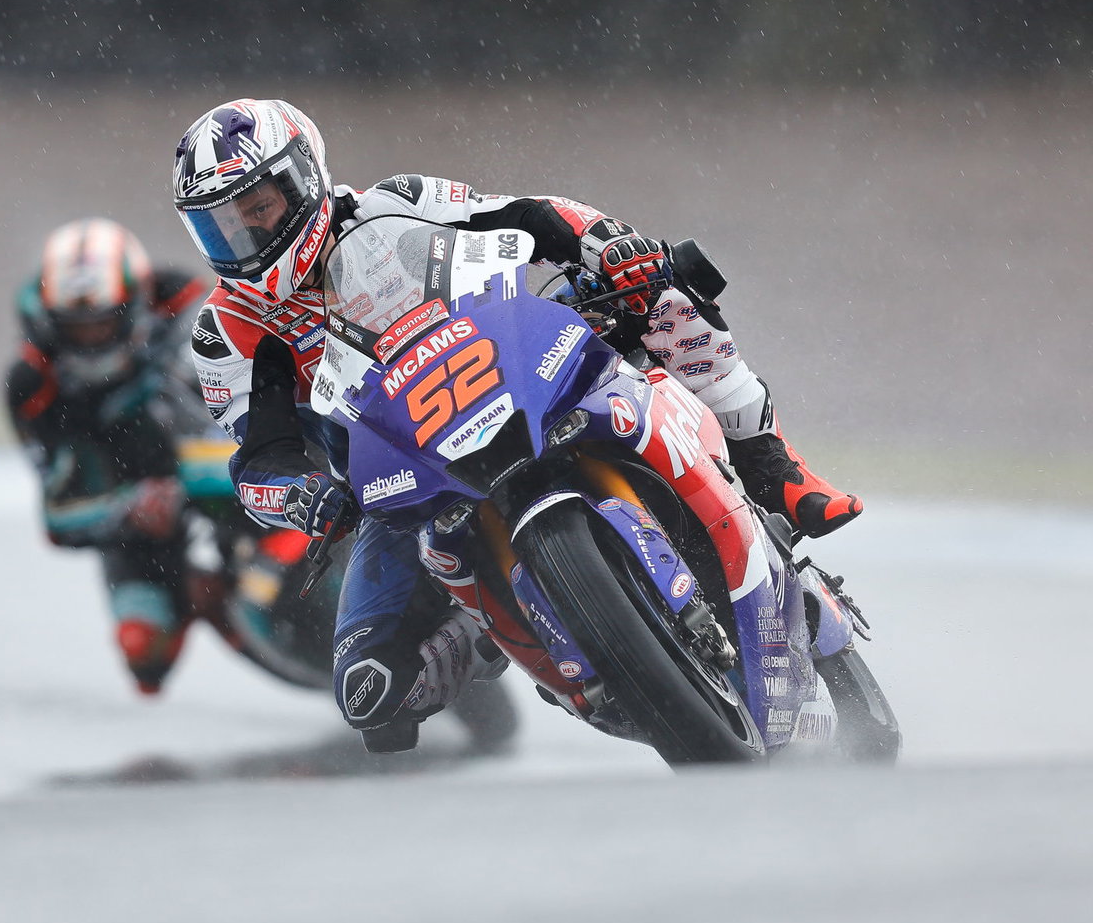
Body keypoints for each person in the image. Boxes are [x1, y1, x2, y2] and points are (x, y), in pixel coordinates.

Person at [171, 97, 863, 743]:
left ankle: (770, 464)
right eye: (219, 224)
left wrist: (606, 244)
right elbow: (258, 456)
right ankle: (494, 635)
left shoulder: (397, 202)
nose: (245, 233)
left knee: (665, 287)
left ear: (303, 179)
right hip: (402, 482)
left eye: (256, 208)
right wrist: (300, 493)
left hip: (519, 365)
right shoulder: (226, 332)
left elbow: (529, 217)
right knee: (370, 689)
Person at [3, 217, 222, 695]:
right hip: (134, 503)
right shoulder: (32, 388)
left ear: (135, 303)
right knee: (143, 655)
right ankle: (204, 599)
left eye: (104, 321)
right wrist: (129, 509)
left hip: (223, 463)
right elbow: (58, 511)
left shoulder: (188, 301)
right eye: (77, 328)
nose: (94, 339)